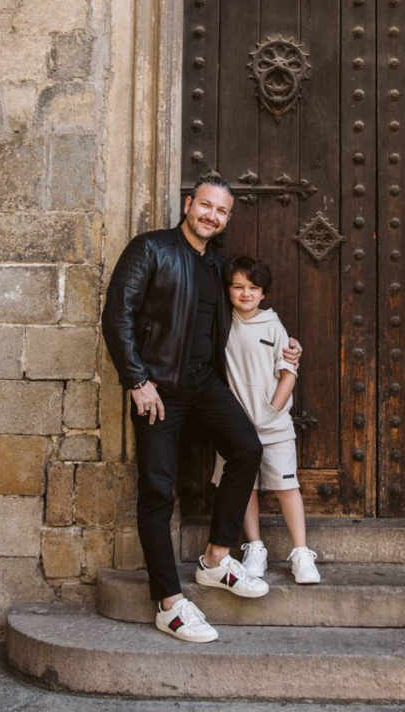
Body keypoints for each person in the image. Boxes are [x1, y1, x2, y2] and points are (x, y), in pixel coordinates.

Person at [102, 172, 302, 643]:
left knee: (246, 450)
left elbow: (244, 320)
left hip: (204, 385)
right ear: (189, 204)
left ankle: (215, 559)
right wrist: (137, 380)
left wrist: (284, 350)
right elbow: (118, 315)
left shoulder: (216, 266)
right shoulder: (150, 249)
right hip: (158, 390)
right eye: (206, 205)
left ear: (227, 218)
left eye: (222, 211)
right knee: (157, 491)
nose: (212, 215)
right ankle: (169, 604)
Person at [212, 256, 320, 585]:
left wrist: (272, 408)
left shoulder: (273, 326)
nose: (245, 294)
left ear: (263, 294)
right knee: (245, 488)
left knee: (286, 486)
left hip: (273, 428)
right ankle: (254, 547)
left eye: (253, 288)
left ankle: (301, 552)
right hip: (234, 426)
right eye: (238, 287)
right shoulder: (221, 323)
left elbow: (288, 371)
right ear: (228, 290)